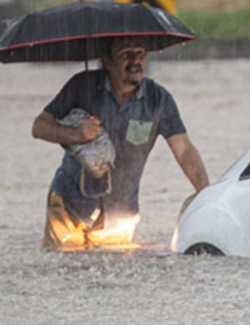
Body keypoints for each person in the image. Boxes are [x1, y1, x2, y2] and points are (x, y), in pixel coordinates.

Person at [32, 36, 209, 250]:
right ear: (108, 62)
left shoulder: (159, 100)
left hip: (119, 214)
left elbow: (184, 151)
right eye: (126, 55)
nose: (135, 61)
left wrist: (206, 193)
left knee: (113, 279)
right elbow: (39, 127)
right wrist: (76, 133)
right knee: (64, 272)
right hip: (68, 207)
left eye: (140, 54)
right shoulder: (82, 86)